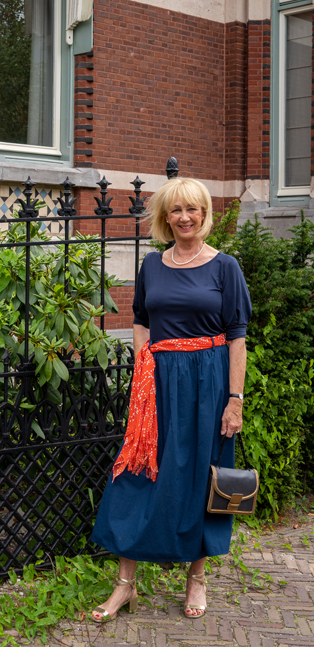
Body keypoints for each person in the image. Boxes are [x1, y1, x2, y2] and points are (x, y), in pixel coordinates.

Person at [90, 177, 251, 621]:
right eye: (176, 209)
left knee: (202, 476)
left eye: (193, 209)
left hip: (208, 384)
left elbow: (237, 340)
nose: (185, 217)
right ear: (165, 216)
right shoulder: (152, 265)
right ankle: (126, 585)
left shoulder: (225, 268)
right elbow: (141, 320)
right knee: (136, 474)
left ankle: (196, 578)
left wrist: (234, 400)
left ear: (204, 215)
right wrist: (143, 371)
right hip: (157, 386)